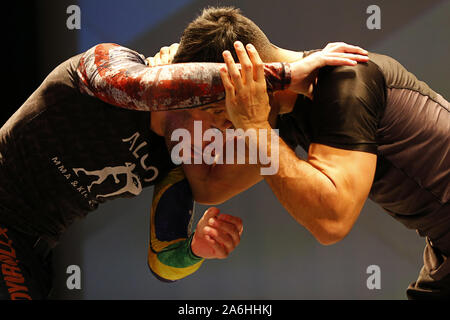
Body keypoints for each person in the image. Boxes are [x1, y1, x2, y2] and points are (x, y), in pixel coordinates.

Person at [0, 35, 367, 298]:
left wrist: (195, 248)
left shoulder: (174, 158)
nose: (223, 128)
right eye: (217, 112)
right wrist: (286, 73)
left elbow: (162, 261)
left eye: (230, 122)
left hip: (29, 242)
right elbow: (142, 87)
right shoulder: (106, 63)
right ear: (185, 87)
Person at [172, 6, 449, 299]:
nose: (221, 127)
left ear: (252, 75)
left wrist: (253, 126)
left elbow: (332, 221)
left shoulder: (346, 80)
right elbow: (208, 186)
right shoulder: (281, 112)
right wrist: (165, 95)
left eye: (220, 110)